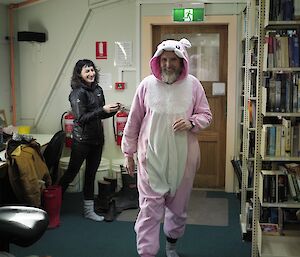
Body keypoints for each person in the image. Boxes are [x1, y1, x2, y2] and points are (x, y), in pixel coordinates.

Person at [121, 38, 212, 257]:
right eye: (164, 59)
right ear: (157, 61)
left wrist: (192, 122)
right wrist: (128, 153)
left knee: (178, 210)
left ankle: (171, 246)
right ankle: (147, 253)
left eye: (173, 59)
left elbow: (206, 115)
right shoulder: (146, 85)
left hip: (184, 162)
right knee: (149, 212)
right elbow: (133, 121)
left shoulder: (193, 85)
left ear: (182, 62)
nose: (168, 64)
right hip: (150, 160)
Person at [58, 59, 121, 222]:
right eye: (87, 71)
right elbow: (81, 118)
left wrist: (112, 110)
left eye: (92, 70)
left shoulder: (98, 89)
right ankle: (53, 204)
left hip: (97, 140)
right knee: (71, 173)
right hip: (82, 141)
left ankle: (88, 210)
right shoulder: (77, 93)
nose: (91, 74)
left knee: (90, 174)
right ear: (79, 75)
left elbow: (101, 113)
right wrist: (102, 110)